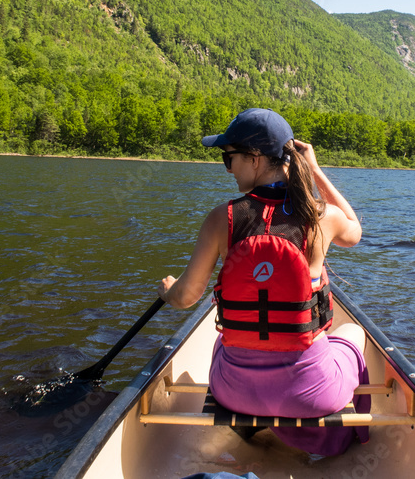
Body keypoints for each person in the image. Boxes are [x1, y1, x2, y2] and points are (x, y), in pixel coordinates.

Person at [157, 108, 369, 456]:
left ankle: (249, 428)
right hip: (313, 395)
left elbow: (186, 296)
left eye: (229, 158)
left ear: (255, 160)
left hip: (233, 392)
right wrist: (315, 170)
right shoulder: (321, 217)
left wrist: (168, 291)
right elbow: (354, 233)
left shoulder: (221, 218)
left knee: (220, 342)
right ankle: (334, 438)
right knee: (353, 333)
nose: (228, 168)